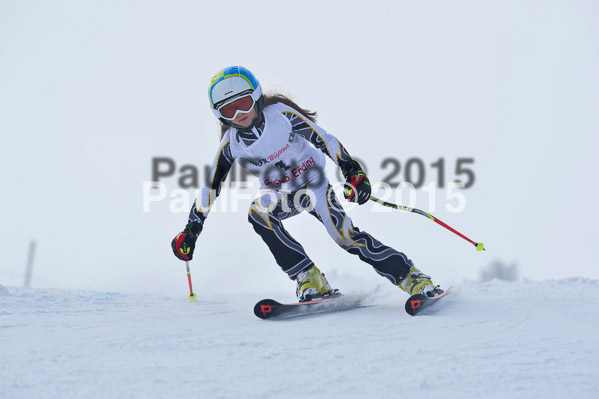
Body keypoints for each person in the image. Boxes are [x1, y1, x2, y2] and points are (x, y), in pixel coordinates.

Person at [171, 66, 443, 302]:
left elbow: (324, 139)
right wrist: (192, 229)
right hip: (279, 194)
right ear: (220, 115)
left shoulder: (281, 116)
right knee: (258, 213)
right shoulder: (231, 144)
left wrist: (352, 171)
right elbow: (211, 187)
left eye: (243, 103)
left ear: (256, 97)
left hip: (313, 185)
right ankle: (308, 276)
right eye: (229, 109)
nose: (239, 113)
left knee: (344, 237)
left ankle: (412, 277)